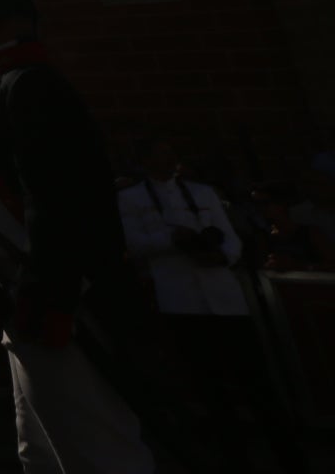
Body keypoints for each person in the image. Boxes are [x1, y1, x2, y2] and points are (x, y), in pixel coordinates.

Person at [0, 0, 155, 473]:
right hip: (23, 298)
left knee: (94, 448)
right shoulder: (7, 84)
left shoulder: (29, 86)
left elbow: (57, 198)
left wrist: (50, 293)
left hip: (57, 302)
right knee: (40, 447)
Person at [119, 140, 304, 471]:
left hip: (224, 296)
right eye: (159, 154)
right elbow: (134, 243)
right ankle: (234, 457)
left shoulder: (202, 194)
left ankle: (287, 455)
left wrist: (222, 255)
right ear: (144, 161)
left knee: (256, 382)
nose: (168, 160)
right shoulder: (131, 199)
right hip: (180, 299)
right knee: (209, 387)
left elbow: (228, 236)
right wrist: (172, 241)